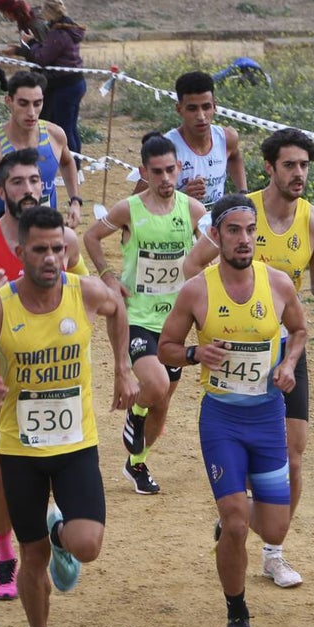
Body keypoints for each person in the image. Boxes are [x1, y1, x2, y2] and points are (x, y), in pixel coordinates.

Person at [0, 204, 137, 627]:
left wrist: (123, 367)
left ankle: (62, 534)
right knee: (31, 557)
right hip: (20, 450)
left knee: (88, 544)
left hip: (76, 443)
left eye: (59, 248)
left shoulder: (85, 292)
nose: (52, 258)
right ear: (21, 252)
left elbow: (119, 307)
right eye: (40, 249)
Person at [184, 128, 314, 587]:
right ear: (269, 167)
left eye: (305, 165)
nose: (299, 173)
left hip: (285, 349)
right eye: (290, 165)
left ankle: (273, 553)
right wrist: (214, 315)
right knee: (244, 456)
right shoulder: (242, 215)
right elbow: (192, 266)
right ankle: (235, 518)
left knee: (295, 456)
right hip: (234, 349)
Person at [157, 194, 307, 627]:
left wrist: (288, 365)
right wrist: (193, 353)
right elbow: (165, 346)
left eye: (250, 231)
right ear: (217, 235)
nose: (244, 240)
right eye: (234, 231)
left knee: (274, 528)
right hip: (221, 418)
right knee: (239, 522)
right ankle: (237, 610)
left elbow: (299, 330)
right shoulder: (197, 290)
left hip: (267, 417)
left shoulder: (278, 284)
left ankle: (231, 527)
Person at [0, 147, 90, 599]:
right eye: (18, 182)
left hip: (55, 384)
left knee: (63, 473)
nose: (29, 189)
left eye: (35, 181)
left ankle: (60, 533)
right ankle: (6, 556)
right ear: (2, 190)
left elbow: (88, 295)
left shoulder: (63, 240)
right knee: (1, 475)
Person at [83, 132, 207, 494]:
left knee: (163, 403)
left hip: (176, 321)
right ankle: (134, 415)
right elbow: (90, 237)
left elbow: (210, 251)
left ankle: (137, 464)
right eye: (157, 172)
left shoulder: (193, 211)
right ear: (144, 172)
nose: (166, 178)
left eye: (171, 170)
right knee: (155, 385)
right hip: (137, 317)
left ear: (179, 168)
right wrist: (107, 275)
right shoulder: (129, 209)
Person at [0, 70, 82, 228]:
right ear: (9, 101)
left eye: (37, 103)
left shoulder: (55, 134)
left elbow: (67, 163)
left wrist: (75, 201)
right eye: (23, 103)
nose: (31, 112)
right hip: (6, 236)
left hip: (47, 232)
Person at [134, 70, 246, 205]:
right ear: (179, 109)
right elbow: (136, 204)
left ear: (214, 106)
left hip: (214, 224)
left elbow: (234, 157)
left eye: (206, 107)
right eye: (192, 109)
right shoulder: (165, 149)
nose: (201, 116)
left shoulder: (227, 138)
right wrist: (181, 197)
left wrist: (243, 192)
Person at [18, 0, 86, 158]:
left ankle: (73, 168)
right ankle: (77, 168)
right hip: (76, 82)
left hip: (64, 85)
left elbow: (42, 58)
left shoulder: (58, 33)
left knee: (64, 129)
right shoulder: (68, 28)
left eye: (42, 8)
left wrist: (31, 43)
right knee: (71, 127)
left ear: (49, 11)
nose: (40, 12)